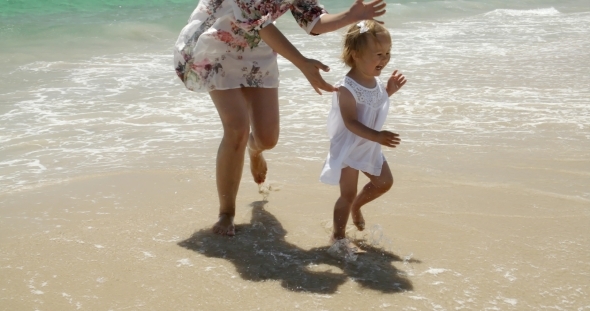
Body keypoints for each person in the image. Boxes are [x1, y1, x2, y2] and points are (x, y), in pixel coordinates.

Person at [174, 0, 388, 236]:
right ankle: (226, 213)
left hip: (258, 50)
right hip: (216, 45)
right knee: (237, 128)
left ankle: (254, 151)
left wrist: (350, 15)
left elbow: (313, 21)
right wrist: (303, 64)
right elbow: (259, 22)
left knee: (267, 139)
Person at [319, 20, 407, 251]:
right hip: (350, 147)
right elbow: (350, 122)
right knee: (346, 194)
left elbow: (373, 104)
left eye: (388, 53)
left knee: (384, 182)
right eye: (378, 54)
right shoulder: (346, 88)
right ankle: (337, 236)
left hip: (369, 145)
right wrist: (377, 136)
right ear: (356, 55)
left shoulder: (375, 82)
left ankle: (357, 207)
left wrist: (388, 91)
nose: (385, 59)